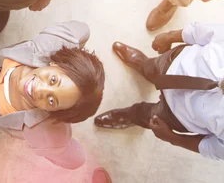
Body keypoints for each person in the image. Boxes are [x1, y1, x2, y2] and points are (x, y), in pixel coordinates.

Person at [0, 21, 108, 180]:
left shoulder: (46, 133)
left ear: (55, 113)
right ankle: (2, 77)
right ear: (55, 63)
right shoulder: (53, 43)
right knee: (4, 79)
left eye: (51, 101)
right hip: (14, 64)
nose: (39, 90)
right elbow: (84, 30)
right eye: (53, 80)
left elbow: (77, 159)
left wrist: (55, 141)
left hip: (6, 112)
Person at [95, 23, 224, 160]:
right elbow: (205, 32)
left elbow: (212, 147)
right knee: (153, 67)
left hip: (176, 115)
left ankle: (132, 115)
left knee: (148, 115)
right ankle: (144, 66)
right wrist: (170, 36)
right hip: (174, 64)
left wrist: (173, 138)